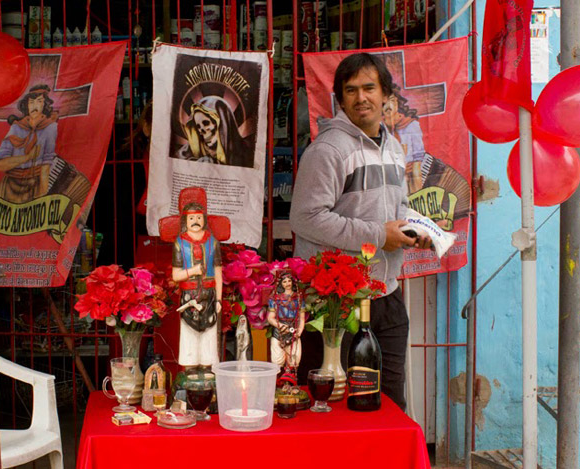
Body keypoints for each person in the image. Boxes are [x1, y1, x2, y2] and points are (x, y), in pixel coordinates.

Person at [288, 53, 431, 412]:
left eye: (369, 88)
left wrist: (416, 230)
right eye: (350, 90)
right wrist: (379, 235)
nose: (361, 97)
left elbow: (397, 209)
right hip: (337, 303)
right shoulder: (327, 150)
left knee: (390, 404)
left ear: (386, 96)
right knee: (333, 407)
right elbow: (305, 218)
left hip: (387, 295)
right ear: (340, 99)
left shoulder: (393, 147)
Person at [0, 84, 90, 206]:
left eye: (39, 101)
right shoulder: (16, 128)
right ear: (26, 106)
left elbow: (45, 168)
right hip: (8, 189)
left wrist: (41, 200)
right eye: (31, 102)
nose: (35, 106)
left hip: (34, 186)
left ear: (45, 105)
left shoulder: (50, 128)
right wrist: (26, 158)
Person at [170, 196, 223, 371]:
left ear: (204, 219)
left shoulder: (212, 242)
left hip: (209, 295)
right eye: (191, 218)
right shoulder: (180, 243)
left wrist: (219, 299)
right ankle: (190, 366)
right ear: (185, 221)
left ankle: (208, 365)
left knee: (209, 331)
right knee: (189, 332)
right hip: (189, 296)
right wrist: (192, 271)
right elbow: (176, 275)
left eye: (199, 217)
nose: (195, 221)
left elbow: (218, 273)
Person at [175, 95, 253, 168]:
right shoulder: (186, 152)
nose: (202, 131)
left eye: (206, 123)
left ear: (222, 124)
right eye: (198, 126)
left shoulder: (245, 155)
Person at [267, 272, 305, 383]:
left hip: (294, 331)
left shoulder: (298, 298)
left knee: (294, 358)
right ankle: (278, 384)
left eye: (289, 281)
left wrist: (299, 332)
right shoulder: (275, 299)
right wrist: (280, 325)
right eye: (284, 281)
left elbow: (302, 318)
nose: (287, 283)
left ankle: (290, 383)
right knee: (277, 359)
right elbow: (270, 318)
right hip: (279, 331)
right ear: (281, 284)